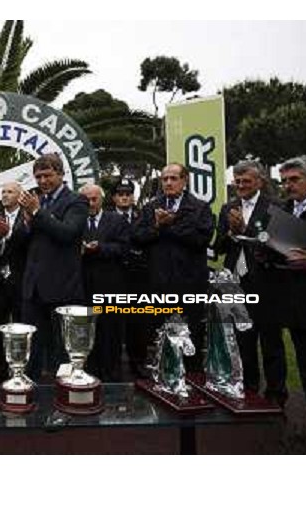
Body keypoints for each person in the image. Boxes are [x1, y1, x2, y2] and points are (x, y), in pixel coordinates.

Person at [214, 159, 287, 405]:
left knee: (270, 341)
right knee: (242, 341)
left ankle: (276, 394)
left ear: (260, 181)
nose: (241, 185)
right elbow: (219, 247)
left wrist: (246, 230)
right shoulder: (228, 207)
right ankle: (249, 388)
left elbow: (278, 245)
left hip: (266, 283)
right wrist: (231, 233)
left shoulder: (276, 206)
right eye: (238, 181)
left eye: (247, 181)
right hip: (235, 283)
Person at [263, 156, 306, 428]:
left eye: (294, 179)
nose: (288, 185)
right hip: (296, 307)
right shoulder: (284, 209)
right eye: (284, 180)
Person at [132, 163, 214, 372]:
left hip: (190, 284)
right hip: (158, 283)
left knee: (191, 334)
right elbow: (137, 238)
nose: (168, 182)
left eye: (173, 178)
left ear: (184, 181)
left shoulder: (200, 207)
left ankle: (193, 381)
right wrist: (157, 227)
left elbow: (201, 240)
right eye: (165, 179)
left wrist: (171, 225)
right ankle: (163, 376)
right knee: (160, 334)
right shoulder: (151, 207)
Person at [19, 154, 88, 381]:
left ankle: (62, 398)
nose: (42, 181)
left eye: (47, 175)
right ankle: (30, 390)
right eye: (38, 177)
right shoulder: (37, 202)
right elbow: (28, 241)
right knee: (32, 350)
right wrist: (27, 224)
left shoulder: (76, 201)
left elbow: (67, 233)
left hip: (62, 287)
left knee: (61, 351)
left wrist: (38, 213)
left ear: (60, 174)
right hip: (34, 287)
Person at [80, 184, 130, 381]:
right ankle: (87, 372)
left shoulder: (117, 220)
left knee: (111, 331)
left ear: (101, 199)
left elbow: (124, 248)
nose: (91, 204)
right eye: (87, 200)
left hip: (110, 285)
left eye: (94, 199)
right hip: (83, 285)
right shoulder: (75, 221)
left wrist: (100, 248)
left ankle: (112, 372)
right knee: (86, 330)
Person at [0, 181, 29, 383]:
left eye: (10, 192)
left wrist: (9, 234)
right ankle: (0, 370)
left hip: (21, 280)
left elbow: (28, 242)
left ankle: (21, 369)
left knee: (21, 327)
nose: (5, 195)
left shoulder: (28, 216)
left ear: (19, 195)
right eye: (3, 191)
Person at [110, 176, 150, 378]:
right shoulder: (106, 218)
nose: (124, 198)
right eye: (120, 194)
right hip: (114, 276)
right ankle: (113, 364)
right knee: (114, 322)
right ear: (114, 198)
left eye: (128, 194)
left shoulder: (143, 216)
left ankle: (138, 363)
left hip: (139, 276)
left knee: (138, 322)